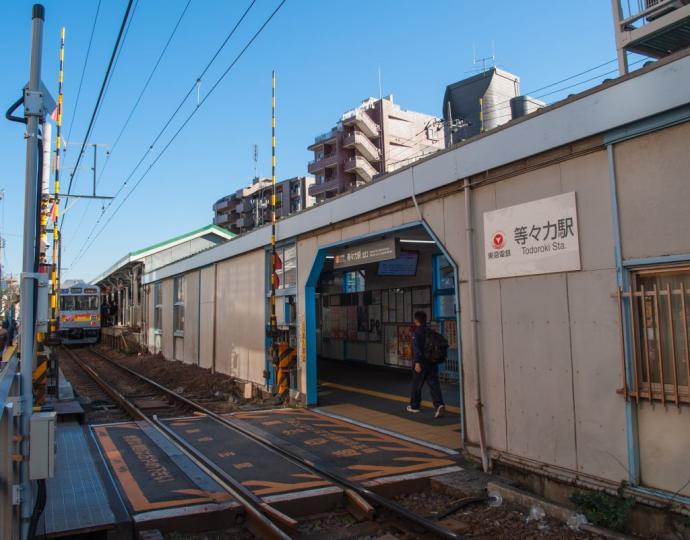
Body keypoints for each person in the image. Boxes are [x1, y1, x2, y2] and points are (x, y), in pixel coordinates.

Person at [407, 311, 445, 418]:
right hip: (432, 362)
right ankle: (439, 405)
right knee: (434, 385)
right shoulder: (431, 331)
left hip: (422, 363)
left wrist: (417, 362)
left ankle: (414, 406)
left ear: (416, 321)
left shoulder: (417, 333)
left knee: (416, 385)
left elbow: (417, 349)